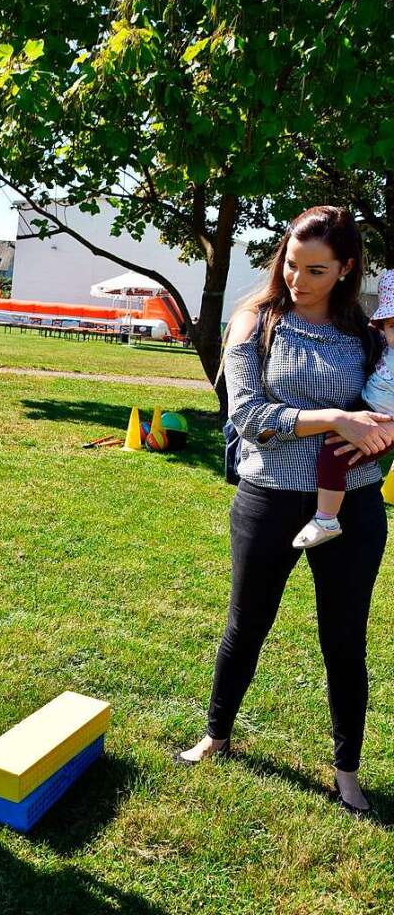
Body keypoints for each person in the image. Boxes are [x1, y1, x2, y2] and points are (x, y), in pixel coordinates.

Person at [177, 206, 393, 816]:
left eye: (317, 269)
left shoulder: (367, 330)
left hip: (352, 505)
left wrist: (384, 427)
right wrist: (334, 418)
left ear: (346, 268)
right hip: (267, 499)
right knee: (246, 624)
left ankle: (347, 772)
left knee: (344, 640)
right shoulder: (255, 320)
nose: (299, 279)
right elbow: (247, 416)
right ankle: (216, 736)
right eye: (292, 264)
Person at [293, 270, 394, 547]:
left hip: (383, 424)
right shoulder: (381, 344)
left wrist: (390, 428)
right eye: (393, 326)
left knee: (334, 457)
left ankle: (326, 519)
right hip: (364, 407)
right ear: (384, 327)